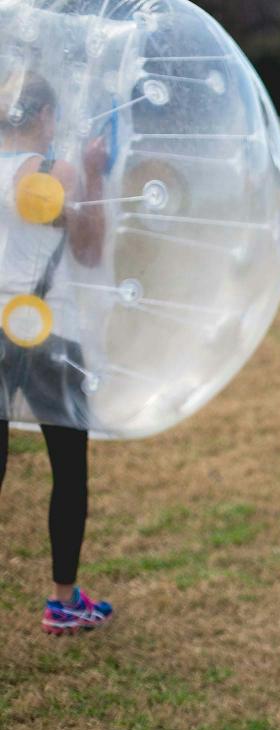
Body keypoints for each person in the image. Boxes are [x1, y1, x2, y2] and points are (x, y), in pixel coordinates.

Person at [0, 71, 114, 634]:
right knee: (68, 471)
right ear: (44, 116)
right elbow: (90, 250)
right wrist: (92, 173)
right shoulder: (55, 173)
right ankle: (62, 600)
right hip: (48, 334)